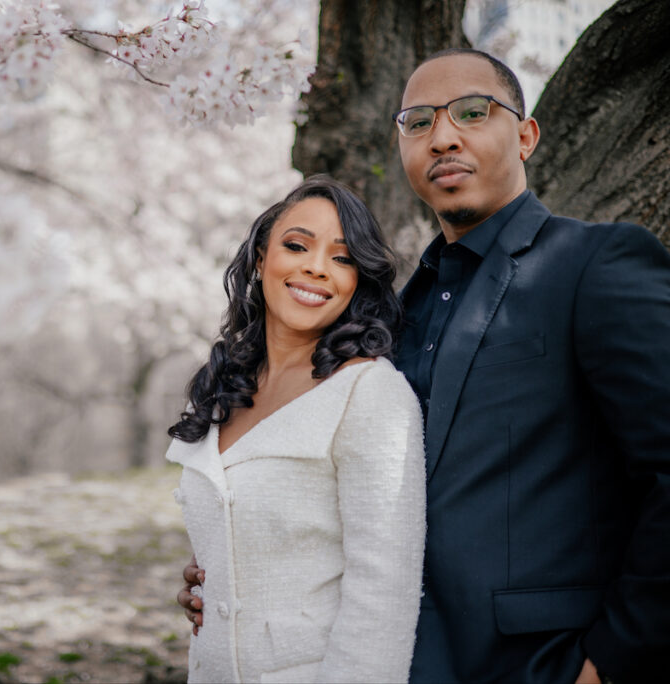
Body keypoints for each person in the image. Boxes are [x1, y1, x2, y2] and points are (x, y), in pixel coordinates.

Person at [179, 48, 670, 683]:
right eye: (418, 122)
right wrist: (235, 575)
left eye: (472, 112)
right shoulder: (395, 313)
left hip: (542, 663)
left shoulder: (594, 265)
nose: (442, 137)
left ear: (525, 136)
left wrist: (610, 661)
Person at [166, 175, 426, 683]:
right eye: (297, 245)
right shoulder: (227, 385)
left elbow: (384, 598)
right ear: (261, 257)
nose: (316, 267)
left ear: (358, 282)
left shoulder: (369, 394)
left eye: (342, 257)